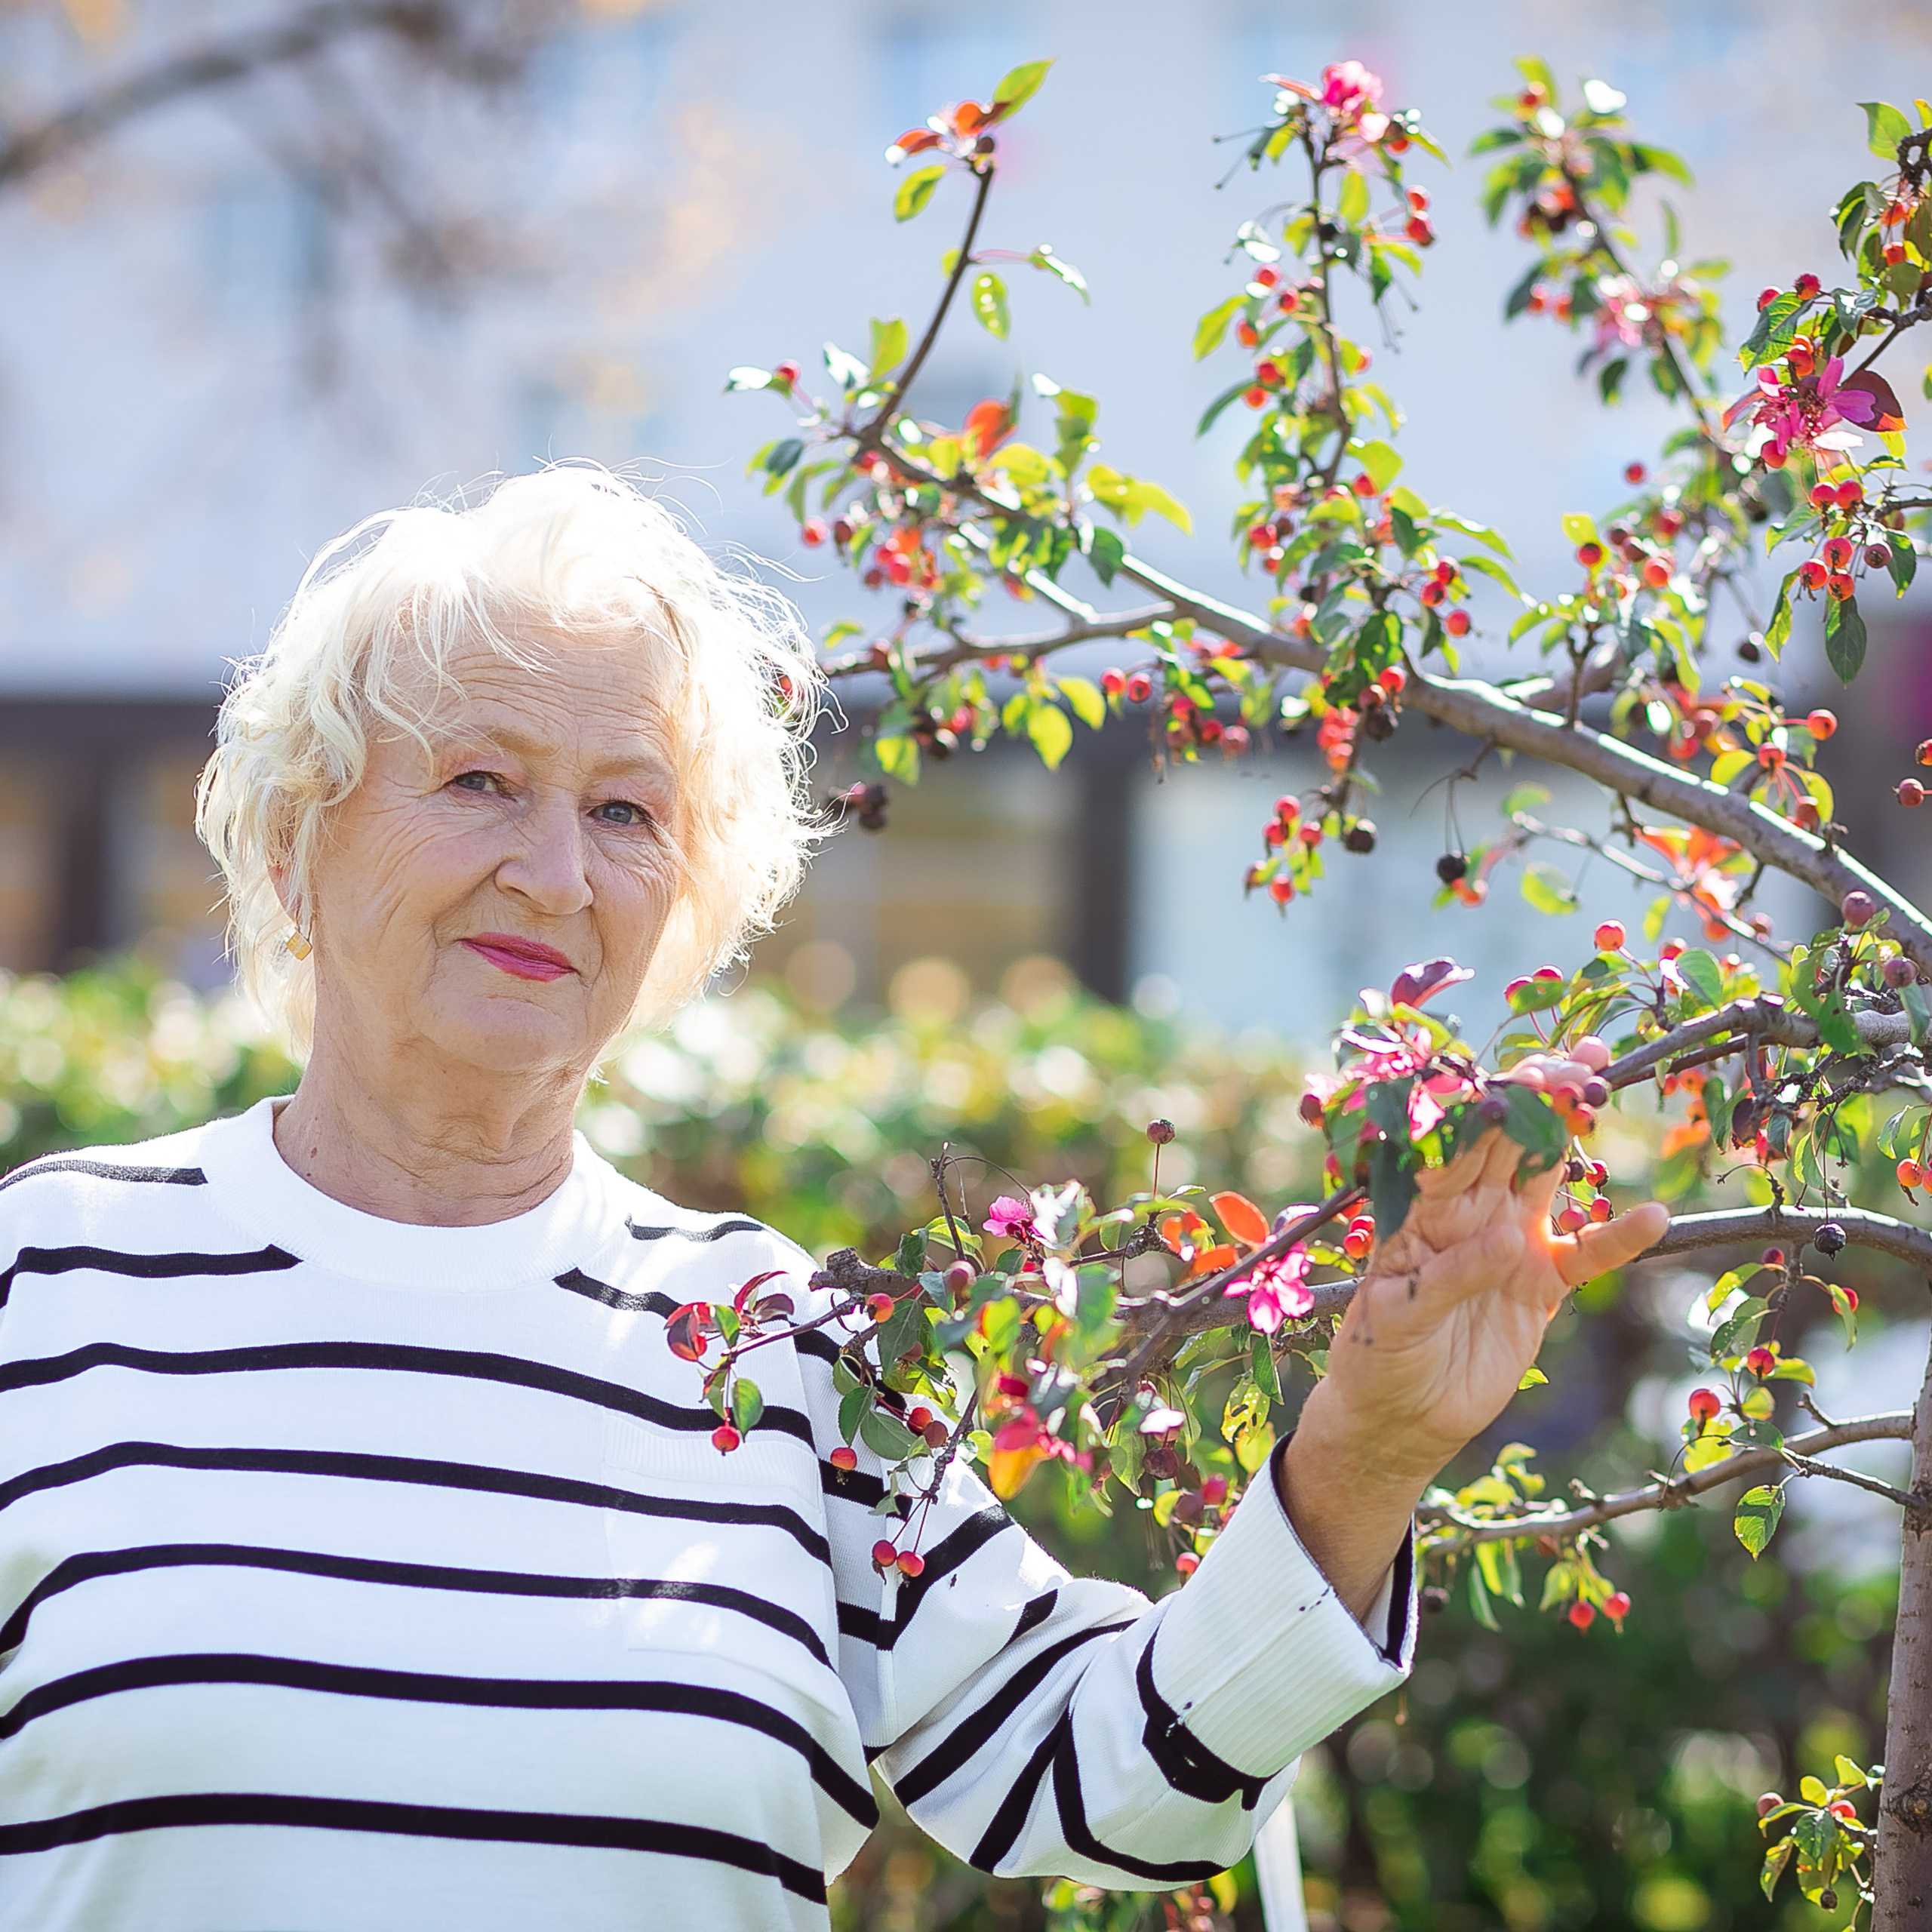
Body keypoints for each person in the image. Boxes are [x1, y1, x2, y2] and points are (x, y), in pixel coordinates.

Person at [0, 466, 1666, 1930]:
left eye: (625, 810)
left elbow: (1096, 1779)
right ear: (297, 832)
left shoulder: (777, 1347)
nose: (557, 872)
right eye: (478, 779)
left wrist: (1359, 1457)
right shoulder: (48, 1278)